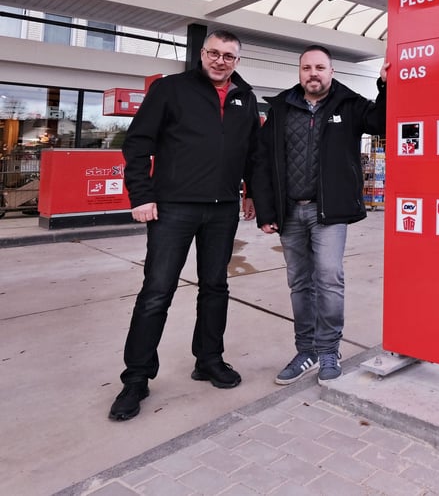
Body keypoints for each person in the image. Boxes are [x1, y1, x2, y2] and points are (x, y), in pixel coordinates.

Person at [109, 30, 260, 422]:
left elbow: (251, 152)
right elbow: (137, 143)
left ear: (237, 61)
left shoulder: (245, 97)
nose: (220, 61)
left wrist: (251, 193)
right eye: (214, 53)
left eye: (228, 56)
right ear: (202, 53)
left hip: (222, 209)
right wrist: (141, 195)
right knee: (157, 291)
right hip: (173, 208)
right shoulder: (170, 90)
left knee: (215, 287)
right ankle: (136, 378)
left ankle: (209, 359)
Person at [251, 45, 388, 384]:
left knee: (328, 278)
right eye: (307, 68)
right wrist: (266, 209)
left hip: (329, 212)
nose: (313, 73)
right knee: (299, 282)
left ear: (331, 72)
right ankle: (306, 351)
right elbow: (263, 159)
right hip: (289, 212)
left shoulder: (349, 104)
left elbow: (382, 122)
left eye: (320, 68)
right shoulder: (281, 108)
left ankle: (328, 349)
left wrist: (385, 85)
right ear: (300, 72)